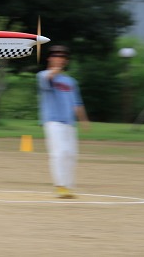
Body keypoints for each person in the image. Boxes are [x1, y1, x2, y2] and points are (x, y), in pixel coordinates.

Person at [37, 45, 89, 199]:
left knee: (71, 154)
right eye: (56, 56)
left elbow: (77, 103)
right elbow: (48, 79)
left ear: (66, 60)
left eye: (62, 57)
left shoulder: (70, 81)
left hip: (69, 123)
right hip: (53, 121)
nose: (59, 59)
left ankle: (68, 186)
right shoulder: (43, 75)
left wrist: (83, 119)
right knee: (59, 152)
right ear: (49, 58)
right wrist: (55, 69)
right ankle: (60, 186)